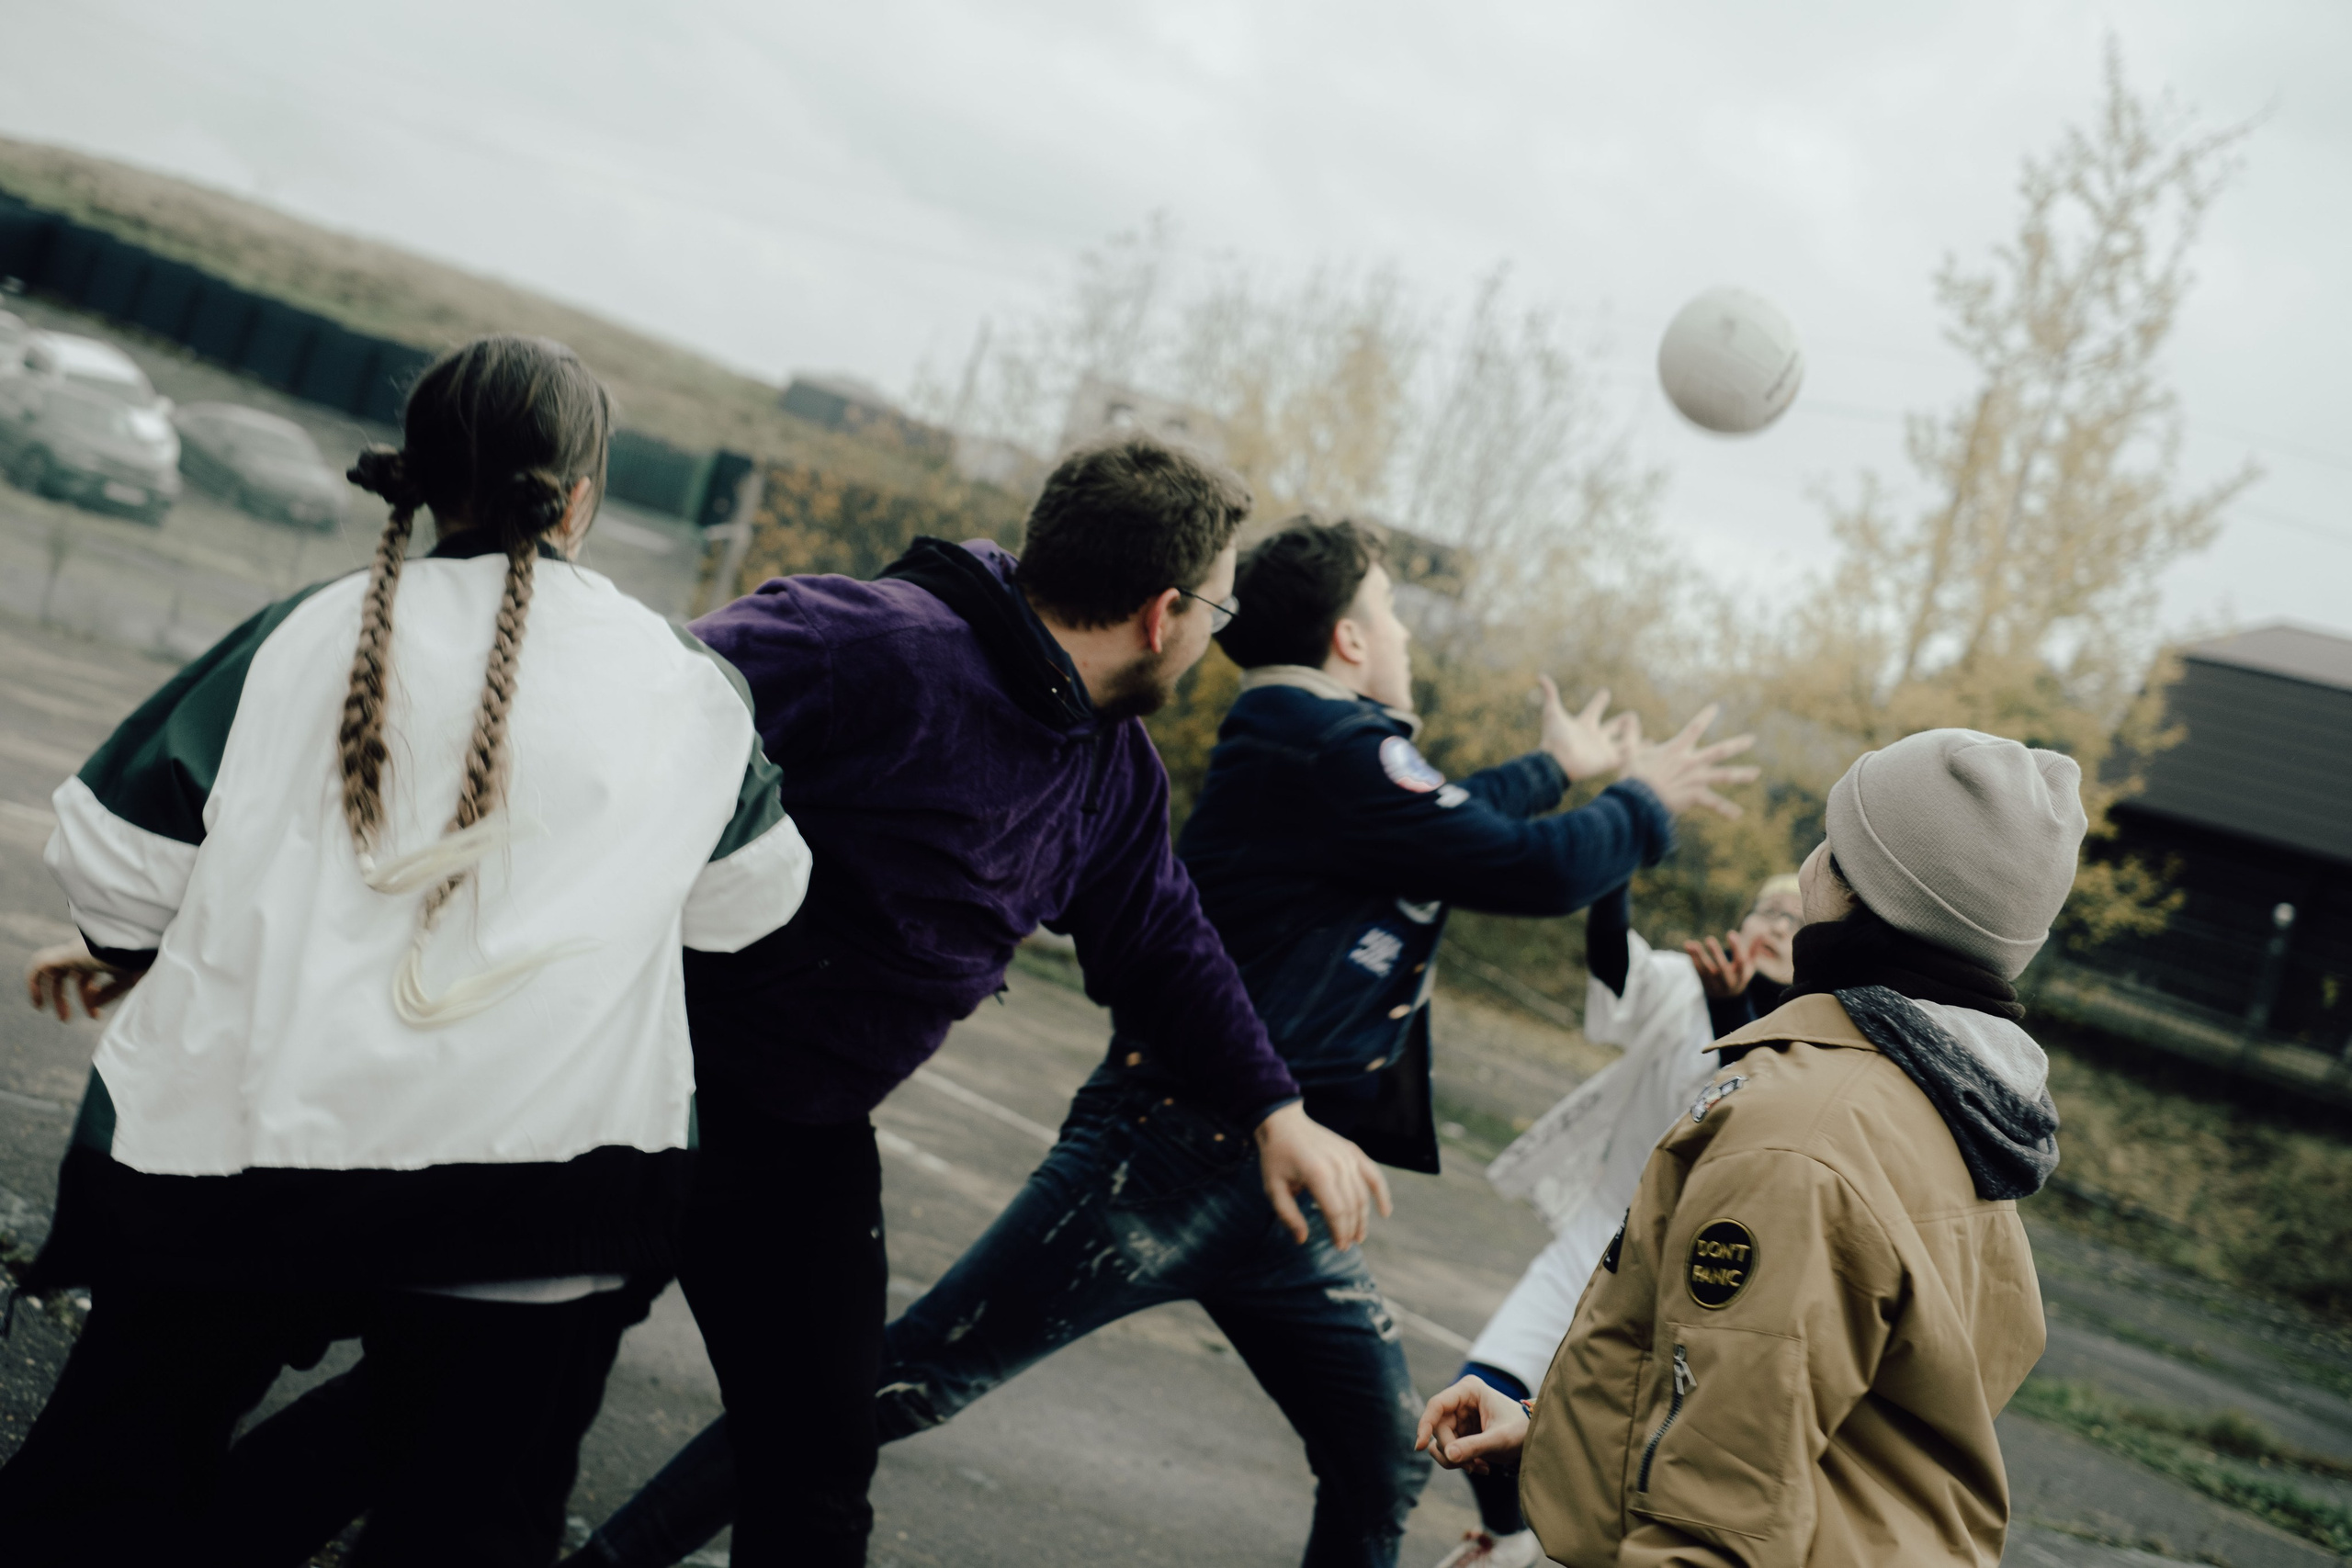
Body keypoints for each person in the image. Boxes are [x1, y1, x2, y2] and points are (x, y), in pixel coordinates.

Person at [592, 512, 1756, 1568]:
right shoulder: (1313, 737)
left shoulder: (1340, 757)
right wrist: (1641, 800)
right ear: (1352, 638)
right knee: (885, 1390)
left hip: (1276, 1187)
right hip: (1169, 1153)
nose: (1402, 630)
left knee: (1381, 1453)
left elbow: (1449, 820)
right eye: (1394, 610)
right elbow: (1516, 858)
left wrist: (1567, 767)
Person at [0, 334, 812, 1568]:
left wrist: (152, 954)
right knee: (470, 1523)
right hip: (542, 1188)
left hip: (243, 1158)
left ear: (423, 479)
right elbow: (751, 911)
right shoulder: (685, 686)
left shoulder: (298, 633)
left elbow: (116, 858)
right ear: (582, 497)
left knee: (102, 1493)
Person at [570, 435, 1375, 1568]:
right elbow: (622, 719)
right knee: (470, 1400)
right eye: (1217, 612)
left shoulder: (1107, 764)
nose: (1214, 639)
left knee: (813, 1476)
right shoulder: (870, 646)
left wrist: (1273, 1109)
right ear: (1162, 613)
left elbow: (1160, 941)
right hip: (639, 1093)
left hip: (801, 1139)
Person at [1416, 728, 2085, 1568]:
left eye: (1832, 838)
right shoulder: (1956, 1109)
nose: (1808, 863)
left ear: (1856, 883)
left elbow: (1718, 1521)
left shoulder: (1797, 1137)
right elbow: (1822, 1421)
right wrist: (1556, 1436)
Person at [1446, 874, 1798, 1568]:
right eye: (1769, 909)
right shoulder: (1680, 981)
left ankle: (1550, 1549)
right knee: (1479, 1387)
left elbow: (1750, 1109)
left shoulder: (1803, 1037)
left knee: (1617, 1462)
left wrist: (1736, 1008)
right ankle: (1509, 1538)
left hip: (1695, 1278)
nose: (1780, 925)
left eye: (1797, 917)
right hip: (1603, 1234)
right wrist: (1624, 843)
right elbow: (1613, 958)